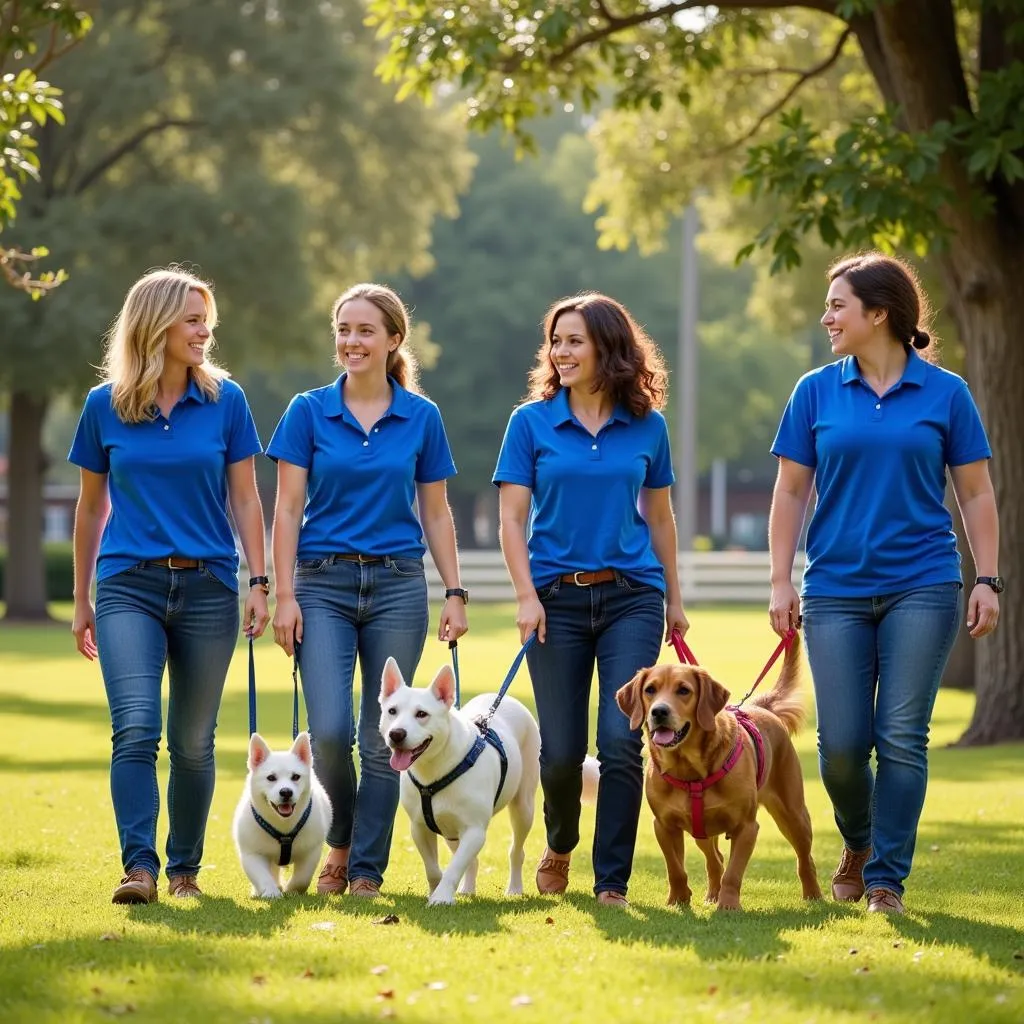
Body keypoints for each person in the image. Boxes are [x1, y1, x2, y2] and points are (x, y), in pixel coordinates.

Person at [768, 252, 1000, 915]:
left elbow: (977, 494)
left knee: (901, 735)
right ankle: (861, 840)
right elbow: (789, 492)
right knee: (841, 746)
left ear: (880, 314)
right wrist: (780, 581)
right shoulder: (815, 390)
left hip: (923, 583)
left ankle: (885, 880)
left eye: (838, 305)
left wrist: (988, 579)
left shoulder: (946, 393)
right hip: (835, 586)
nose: (826, 317)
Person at [69, 267, 270, 905]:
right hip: (127, 583)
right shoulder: (104, 406)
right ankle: (140, 869)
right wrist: (81, 598)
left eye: (206, 318)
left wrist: (259, 580)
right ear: (154, 324)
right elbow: (89, 510)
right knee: (134, 727)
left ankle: (184, 869)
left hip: (209, 584)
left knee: (193, 739)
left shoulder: (226, 401)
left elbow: (246, 498)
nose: (204, 330)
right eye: (191, 319)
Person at [269, 282, 468, 898]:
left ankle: (365, 871)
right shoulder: (307, 411)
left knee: (385, 735)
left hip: (398, 584)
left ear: (393, 340)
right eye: (344, 330)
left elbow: (436, 512)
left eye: (365, 331)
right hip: (321, 582)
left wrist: (454, 590)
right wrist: (283, 594)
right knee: (327, 729)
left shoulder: (421, 417)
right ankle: (340, 840)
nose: (351, 341)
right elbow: (286, 507)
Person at [493, 292, 688, 907]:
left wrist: (674, 599)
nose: (561, 351)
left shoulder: (648, 426)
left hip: (633, 594)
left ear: (610, 347)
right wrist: (526, 596)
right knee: (560, 752)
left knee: (622, 739)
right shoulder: (530, 422)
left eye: (575, 340)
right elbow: (510, 517)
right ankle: (559, 844)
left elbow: (660, 518)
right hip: (555, 600)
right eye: (556, 341)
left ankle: (612, 883)